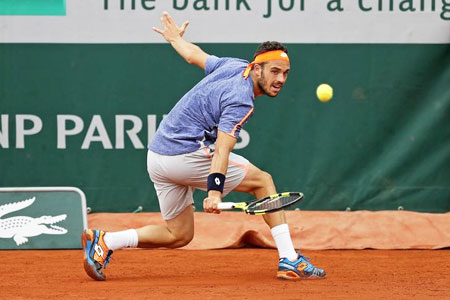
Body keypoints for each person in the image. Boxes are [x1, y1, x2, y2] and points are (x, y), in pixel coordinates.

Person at [81, 12, 326, 281]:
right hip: (183, 155)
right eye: (275, 71)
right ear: (257, 69)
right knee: (262, 181)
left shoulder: (234, 65)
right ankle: (290, 259)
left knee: (179, 234)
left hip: (157, 157)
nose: (280, 79)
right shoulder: (241, 100)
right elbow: (222, 149)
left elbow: (193, 55)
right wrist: (215, 192)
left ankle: (105, 241)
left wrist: (175, 39)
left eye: (285, 73)